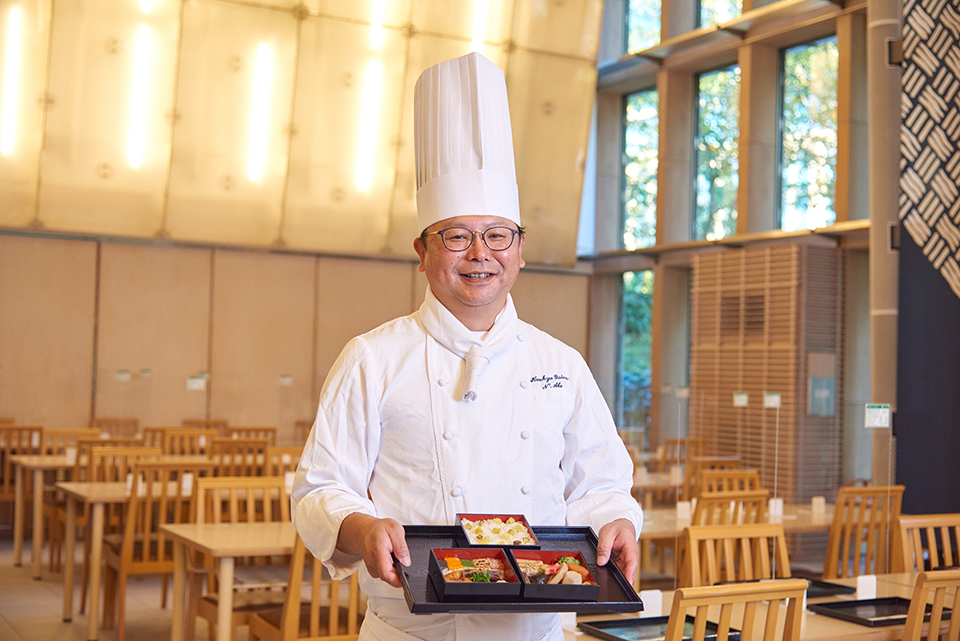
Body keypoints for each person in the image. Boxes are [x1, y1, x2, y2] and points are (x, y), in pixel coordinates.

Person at [291, 51, 642, 641]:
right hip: (412, 632)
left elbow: (602, 484)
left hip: (537, 631)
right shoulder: (373, 358)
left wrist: (616, 522)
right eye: (457, 236)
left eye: (498, 235)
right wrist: (362, 525)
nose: (481, 254)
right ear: (422, 252)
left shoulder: (561, 363)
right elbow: (319, 488)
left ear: (521, 250)